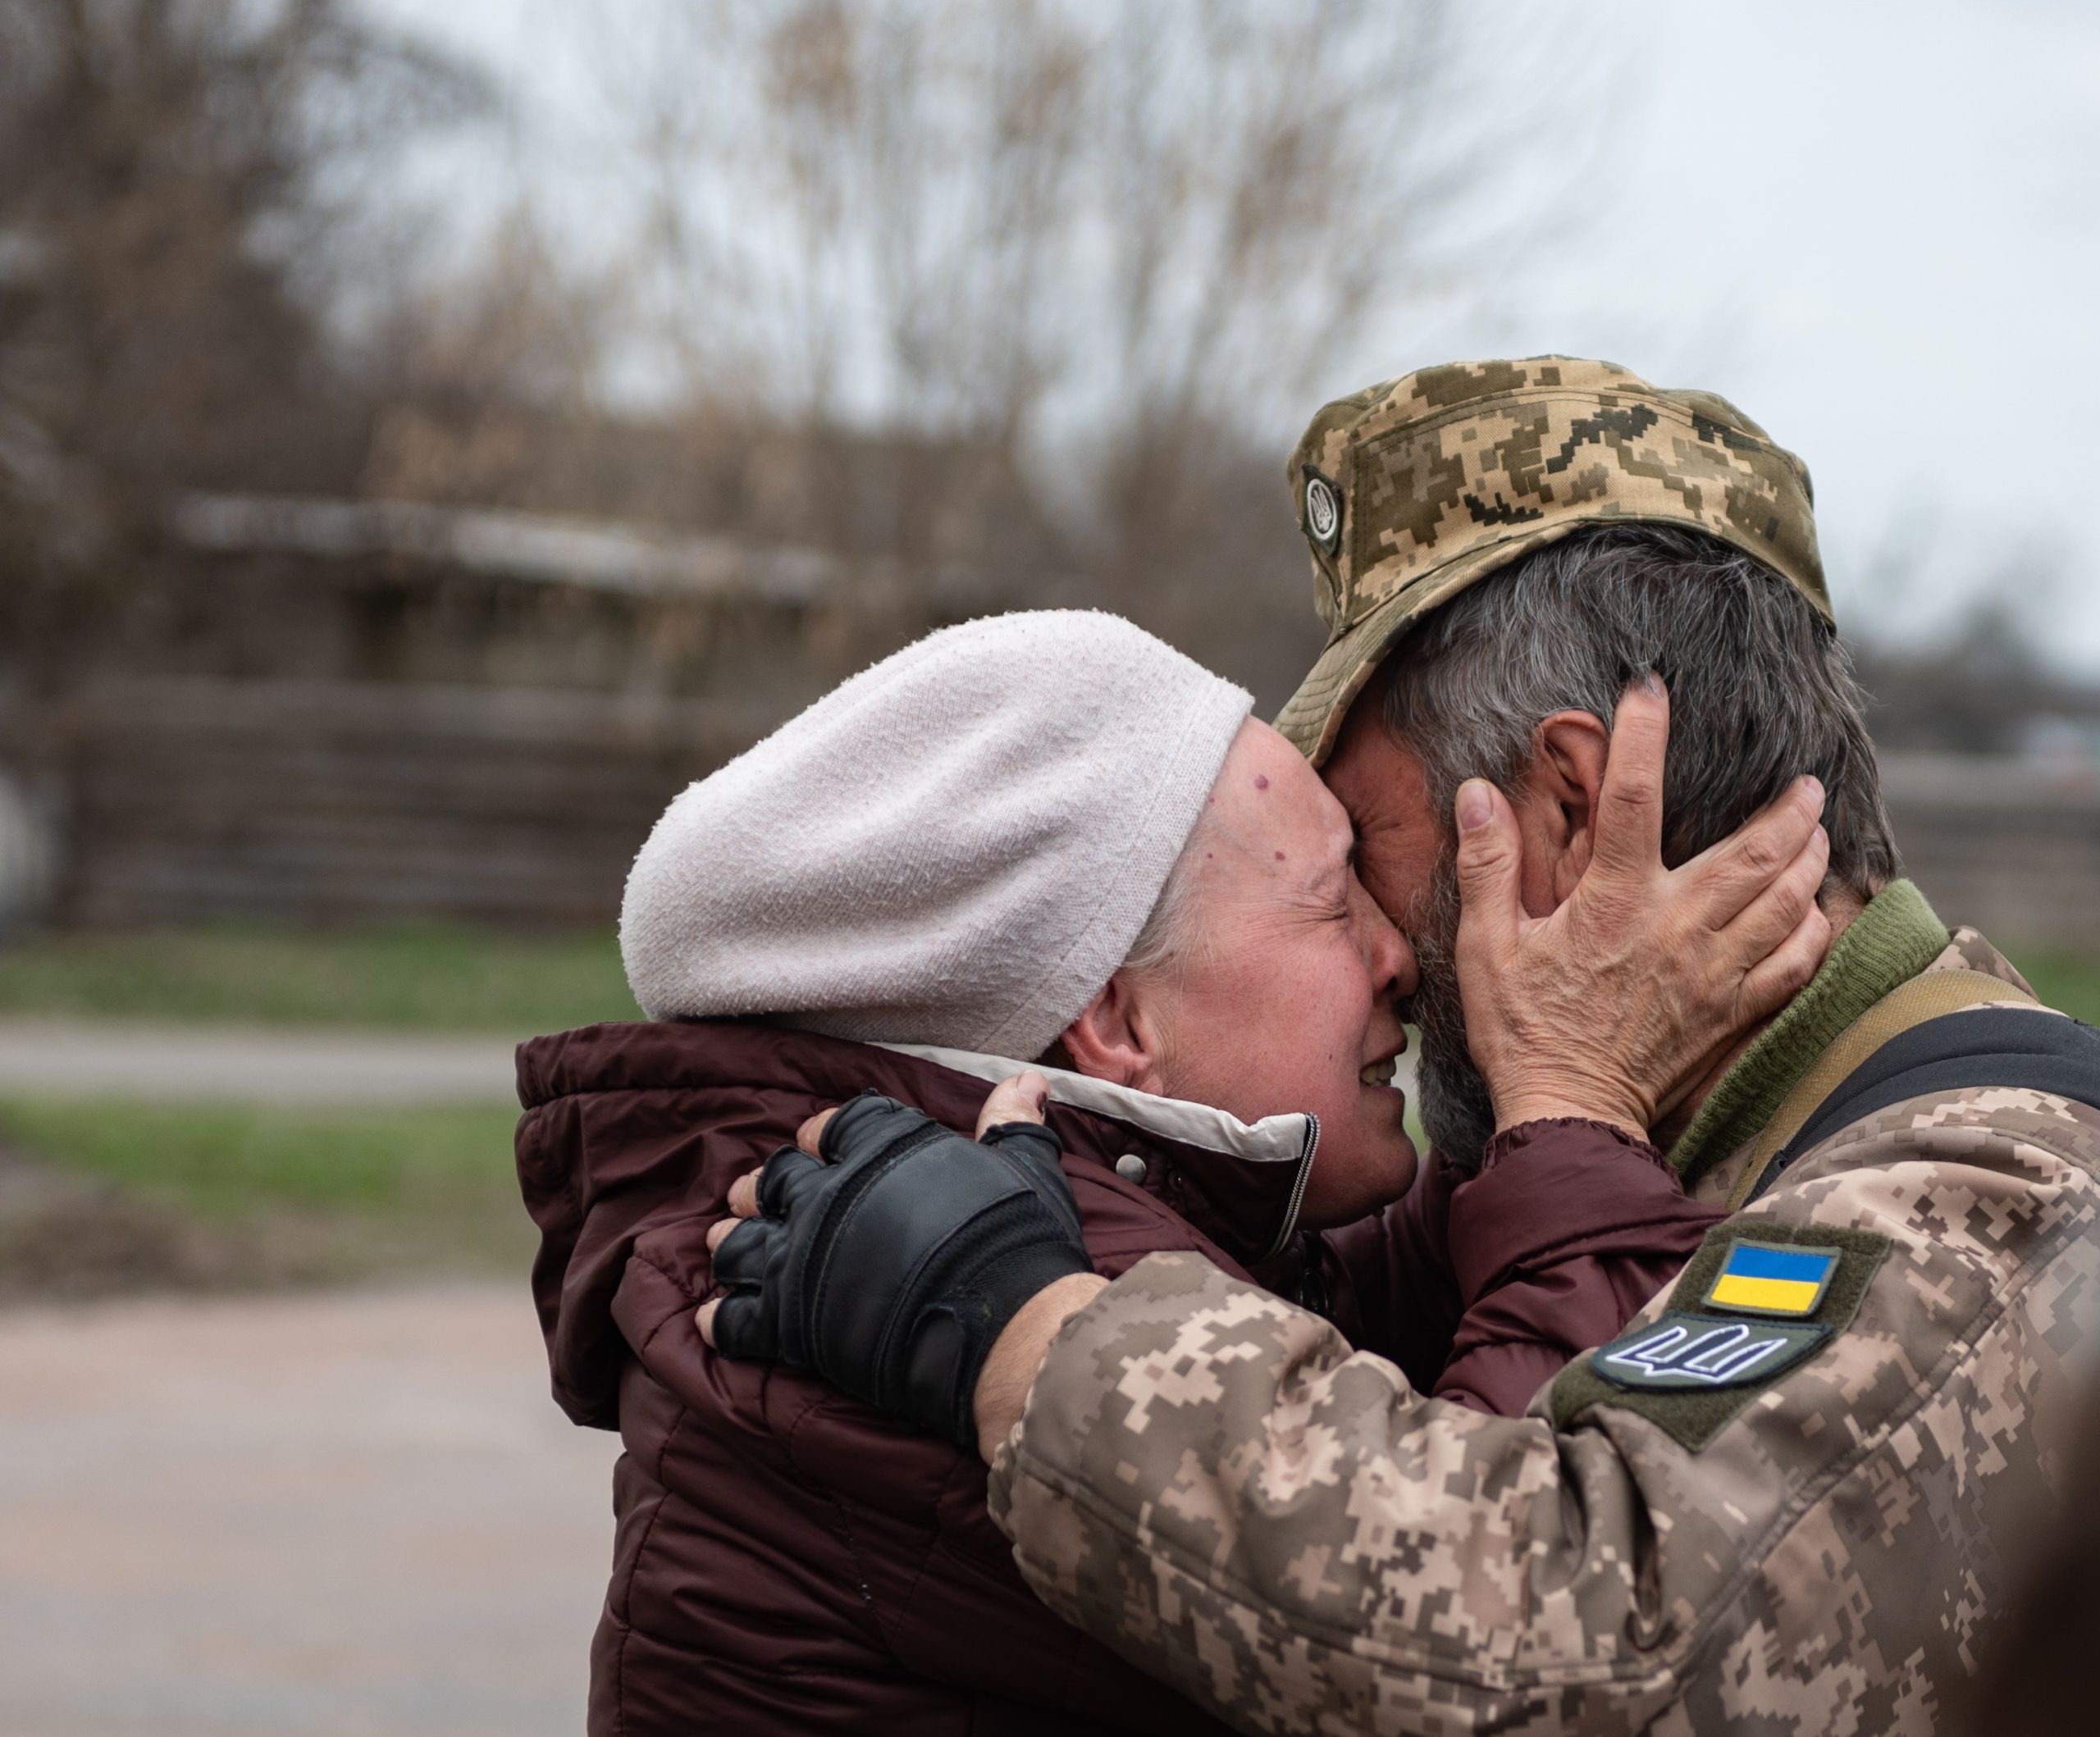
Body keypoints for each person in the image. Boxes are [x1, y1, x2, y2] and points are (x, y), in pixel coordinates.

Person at [701, 359, 2100, 1734]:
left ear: (1564, 808)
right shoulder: (1759, 1146)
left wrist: (1027, 1332)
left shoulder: (1981, 1198)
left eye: (1372, 854)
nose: (1382, 945)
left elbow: (1594, 1666)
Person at [517, 606, 1827, 1735]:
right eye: (1334, 899)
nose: (1399, 954)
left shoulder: (1014, 1208)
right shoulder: (962, 1285)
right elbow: (1510, 1625)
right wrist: (1579, 1111)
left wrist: (1549, 1049)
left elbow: (1327, 1353)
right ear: (1118, 1021)